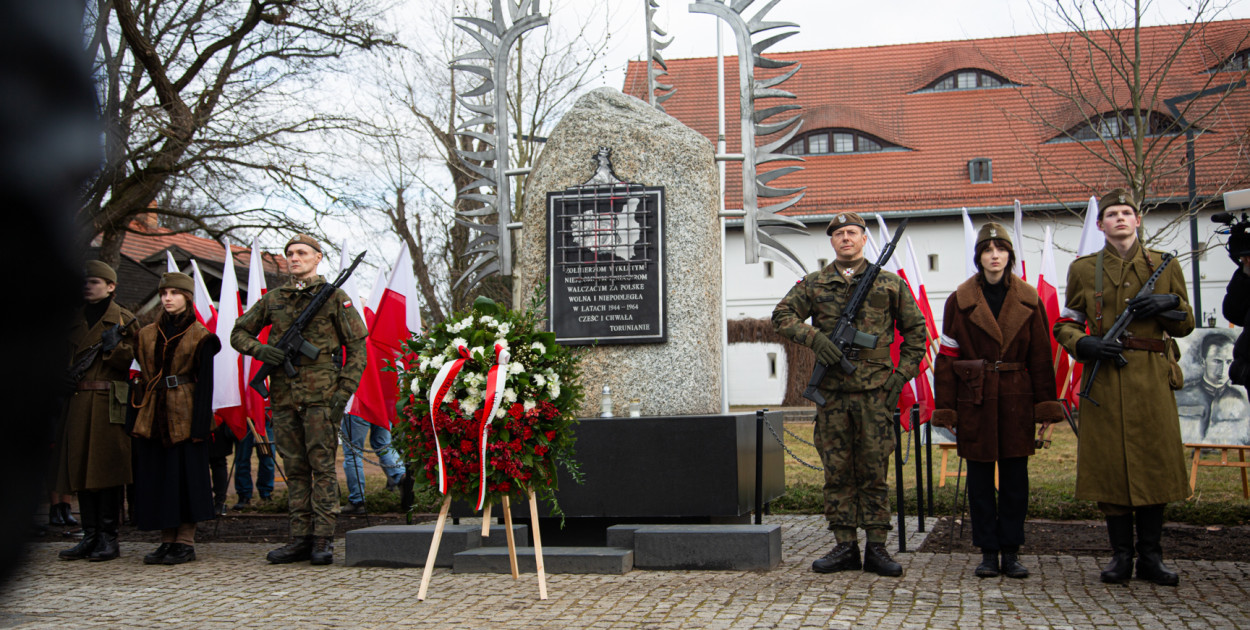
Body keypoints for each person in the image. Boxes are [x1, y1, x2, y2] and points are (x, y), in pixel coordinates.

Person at [772, 212, 927, 577]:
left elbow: (917, 334)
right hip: (833, 395)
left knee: (874, 470)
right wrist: (816, 339)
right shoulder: (815, 284)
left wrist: (897, 379)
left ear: (863, 238)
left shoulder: (889, 283)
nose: (846, 238)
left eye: (852, 232)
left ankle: (877, 547)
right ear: (832, 241)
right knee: (837, 471)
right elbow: (782, 315)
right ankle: (845, 546)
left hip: (876, 394)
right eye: (839, 233)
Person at [1053, 189, 1194, 586]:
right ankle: (1120, 556)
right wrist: (1084, 344)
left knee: (1155, 463)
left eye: (1126, 213)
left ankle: (1152, 556)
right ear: (1101, 225)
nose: (1119, 219)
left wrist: (1168, 304)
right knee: (1110, 466)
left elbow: (1186, 323)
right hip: (1107, 376)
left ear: (1137, 220)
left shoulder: (1165, 266)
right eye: (1111, 213)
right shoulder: (1083, 270)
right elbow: (1066, 322)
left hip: (1151, 377)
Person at [932, 223, 1063, 579]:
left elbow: (1040, 356)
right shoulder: (958, 300)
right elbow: (947, 356)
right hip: (975, 398)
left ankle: (1012, 550)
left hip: (1017, 397)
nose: (994, 255)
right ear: (978, 257)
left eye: (1000, 249)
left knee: (1015, 480)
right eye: (987, 249)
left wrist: (1046, 406)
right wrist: (946, 407)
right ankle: (988, 551)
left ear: (1009, 255)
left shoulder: (1030, 299)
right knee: (978, 480)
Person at [231, 235, 367, 565]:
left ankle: (323, 539)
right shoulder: (274, 299)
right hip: (283, 395)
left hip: (322, 397)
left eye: (302, 253)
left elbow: (358, 349)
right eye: (290, 253)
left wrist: (342, 393)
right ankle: (299, 538)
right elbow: (238, 332)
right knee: (294, 469)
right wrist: (261, 351)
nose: (294, 258)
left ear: (318, 257)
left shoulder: (334, 297)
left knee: (321, 467)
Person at [128, 273, 221, 565]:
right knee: (157, 476)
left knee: (185, 477)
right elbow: (140, 377)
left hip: (186, 411)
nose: (168, 298)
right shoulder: (145, 334)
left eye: (175, 293)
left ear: (188, 297)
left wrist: (200, 426)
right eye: (165, 292)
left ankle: (185, 541)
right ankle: (166, 540)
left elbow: (206, 384)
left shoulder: (201, 336)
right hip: (153, 412)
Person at [57, 260, 136, 562]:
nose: (88, 286)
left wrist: (115, 346)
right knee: (80, 469)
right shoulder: (72, 320)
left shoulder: (124, 320)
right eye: (85, 281)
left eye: (95, 282)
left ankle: (108, 538)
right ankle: (89, 535)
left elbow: (131, 362)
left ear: (111, 287)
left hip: (107, 402)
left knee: (107, 470)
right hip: (77, 401)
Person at [1176, 334, 1249, 445]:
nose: (1223, 369)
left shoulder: (1241, 399)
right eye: (1217, 361)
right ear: (1203, 362)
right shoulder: (1182, 396)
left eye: (1229, 362)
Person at [340, 412, 406, 514]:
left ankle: (357, 500)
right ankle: (401, 475)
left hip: (357, 407)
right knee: (384, 445)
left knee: (352, 452)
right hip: (380, 407)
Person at [232, 417, 275, 509]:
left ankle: (266, 494)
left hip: (265, 415)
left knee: (268, 458)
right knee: (242, 458)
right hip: (244, 416)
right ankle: (244, 495)